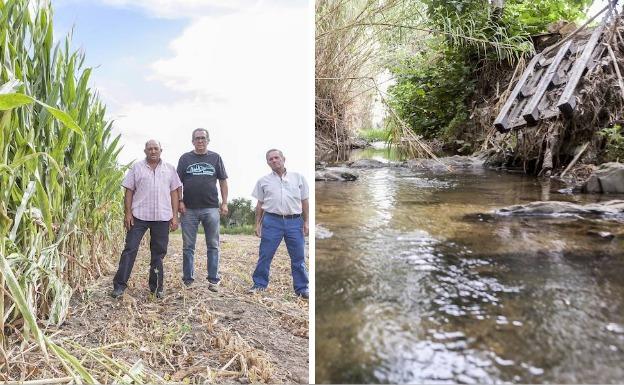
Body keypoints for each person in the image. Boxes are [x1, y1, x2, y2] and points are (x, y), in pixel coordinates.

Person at [111, 140, 181, 299]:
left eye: (156, 148)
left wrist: (175, 216)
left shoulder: (170, 169)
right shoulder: (137, 168)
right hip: (139, 216)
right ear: (145, 151)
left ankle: (156, 288)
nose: (153, 151)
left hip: (162, 217)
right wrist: (127, 213)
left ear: (161, 150)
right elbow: (129, 191)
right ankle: (119, 286)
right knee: (130, 249)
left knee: (158, 254)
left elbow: (174, 193)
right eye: (150, 149)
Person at [248, 149, 310, 299]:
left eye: (276, 157)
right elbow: (259, 204)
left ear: (283, 159)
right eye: (270, 159)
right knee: (265, 255)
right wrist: (257, 224)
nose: (274, 161)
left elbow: (305, 201)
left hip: (295, 221)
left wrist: (307, 221)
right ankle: (259, 285)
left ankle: (302, 288)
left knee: (298, 257)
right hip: (272, 221)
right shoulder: (263, 181)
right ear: (267, 163)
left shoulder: (299, 178)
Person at [177, 128, 228, 291]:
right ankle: (188, 280)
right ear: (192, 141)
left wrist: (225, 202)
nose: (200, 141)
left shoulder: (216, 157)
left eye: (203, 138)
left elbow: (223, 181)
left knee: (213, 245)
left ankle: (213, 279)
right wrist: (180, 201)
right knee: (188, 246)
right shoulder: (185, 158)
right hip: (189, 209)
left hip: (211, 208)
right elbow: (178, 183)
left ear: (208, 140)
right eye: (197, 138)